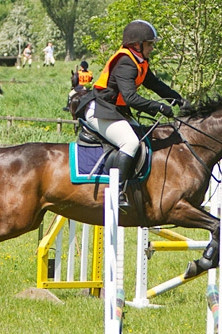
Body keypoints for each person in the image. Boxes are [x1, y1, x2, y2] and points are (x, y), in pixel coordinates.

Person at [76, 20, 187, 208]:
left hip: (113, 111)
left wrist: (180, 101)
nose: (152, 48)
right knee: (131, 142)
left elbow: (156, 85)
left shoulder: (140, 61)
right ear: (137, 44)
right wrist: (159, 108)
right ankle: (117, 190)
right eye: (150, 43)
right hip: (100, 110)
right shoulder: (126, 62)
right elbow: (130, 98)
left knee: (146, 138)